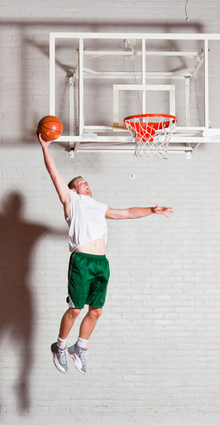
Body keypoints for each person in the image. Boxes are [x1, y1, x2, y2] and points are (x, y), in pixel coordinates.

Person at [38, 133, 172, 374]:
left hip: (101, 263)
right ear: (73, 189)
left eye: (87, 181)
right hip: (82, 261)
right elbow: (53, 173)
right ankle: (60, 346)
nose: (86, 183)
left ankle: (80, 348)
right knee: (76, 309)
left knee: (96, 310)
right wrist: (44, 146)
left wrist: (152, 210)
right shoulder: (71, 201)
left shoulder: (99, 207)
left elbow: (128, 213)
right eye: (81, 182)